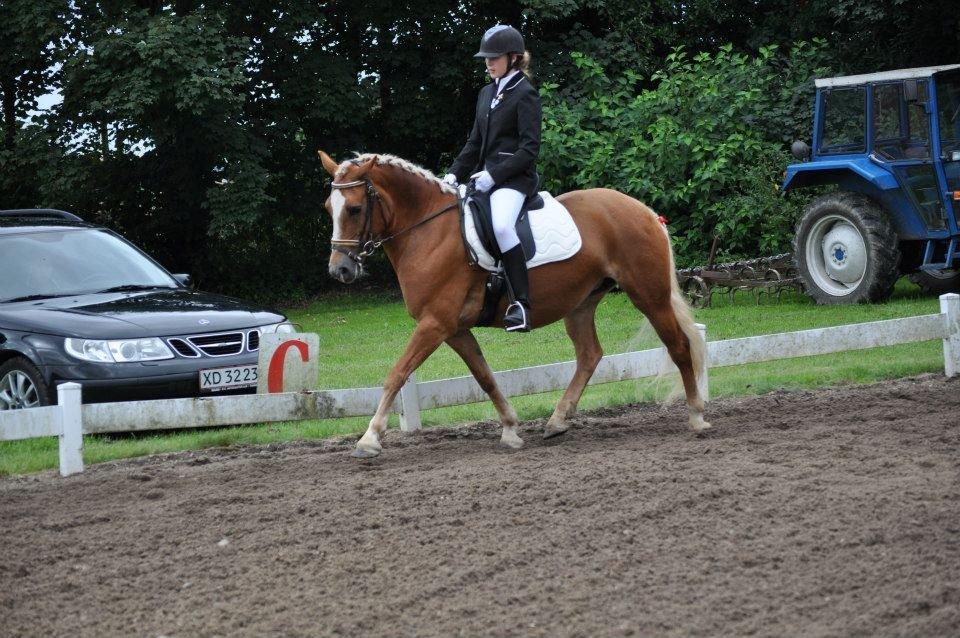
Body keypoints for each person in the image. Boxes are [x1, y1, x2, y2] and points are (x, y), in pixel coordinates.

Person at [444, 24, 541, 333]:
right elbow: (475, 143)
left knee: (501, 225)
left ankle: (521, 305)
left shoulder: (525, 93)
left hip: (515, 180)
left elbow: (529, 150)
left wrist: (494, 174)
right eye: (486, 58)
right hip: (484, 178)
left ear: (513, 58)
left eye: (494, 57)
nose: (488, 62)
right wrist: (453, 173)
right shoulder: (487, 93)